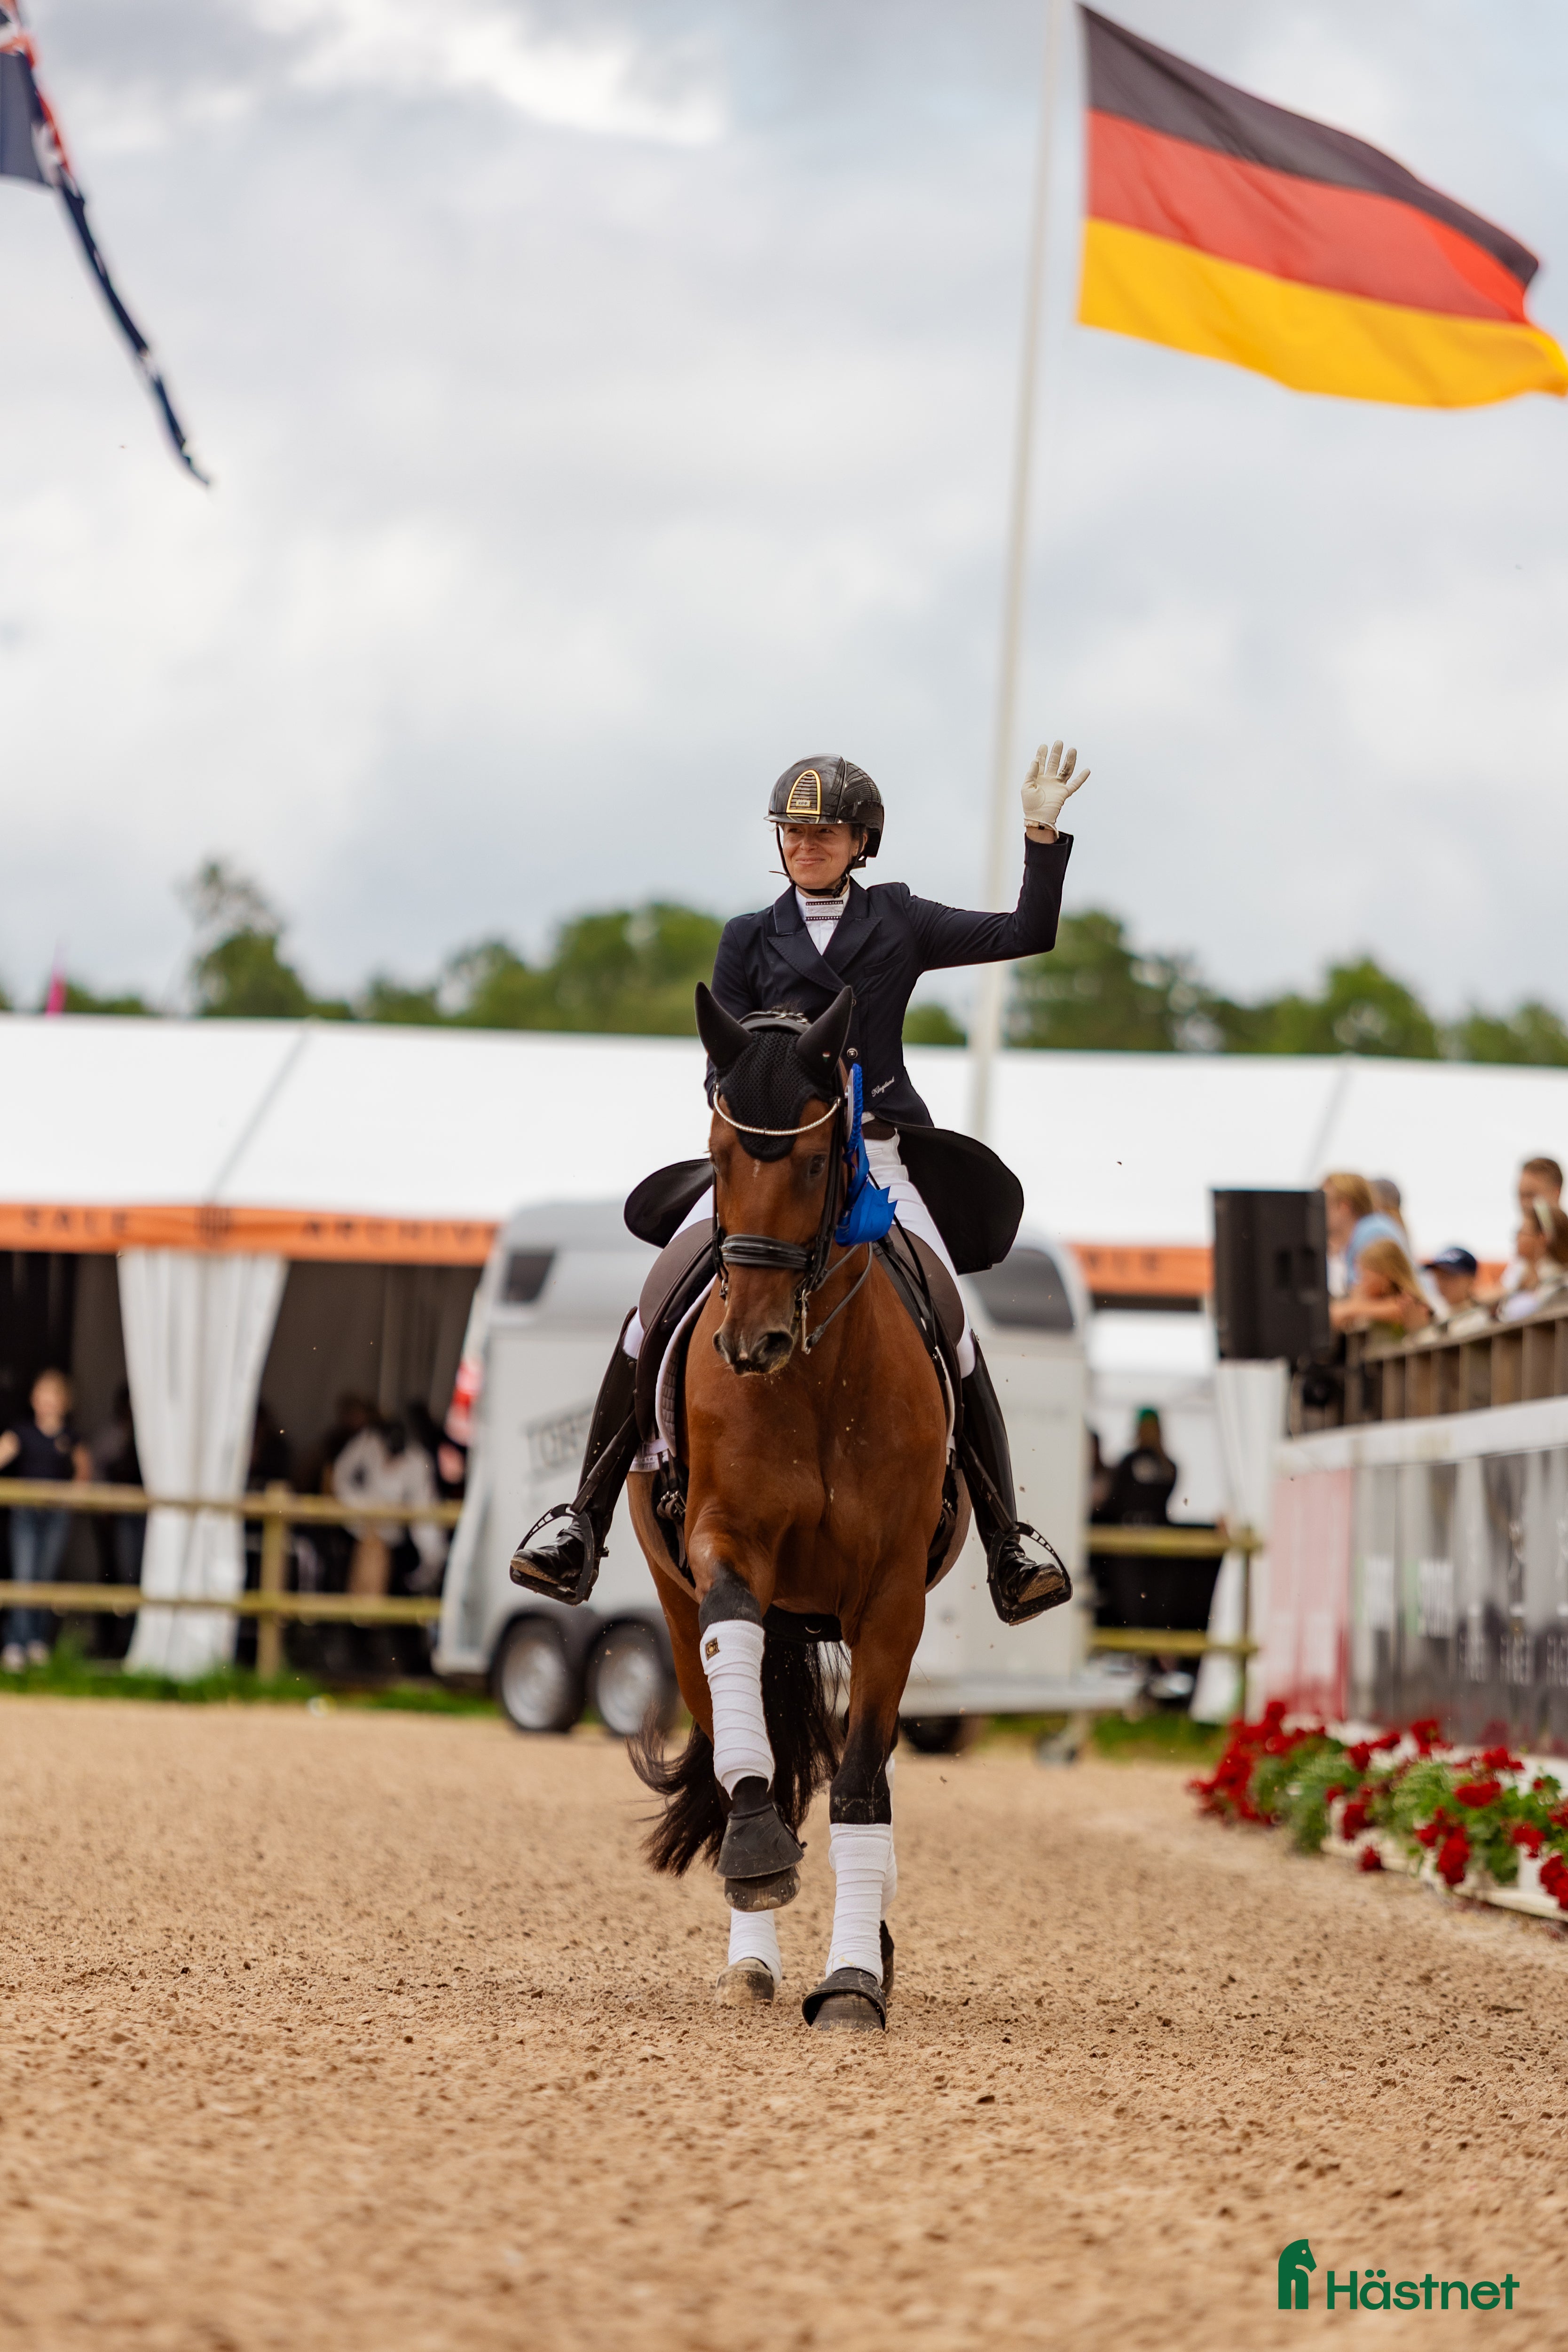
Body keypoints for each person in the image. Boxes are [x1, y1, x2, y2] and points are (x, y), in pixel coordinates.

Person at [512, 739, 1091, 1625]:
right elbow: (725, 1060)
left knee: (951, 1317)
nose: (806, 845)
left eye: (824, 832)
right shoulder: (749, 935)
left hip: (876, 1152)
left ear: (863, 841)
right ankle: (579, 1520)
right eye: (792, 831)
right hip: (770, 1157)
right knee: (654, 1305)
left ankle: (1008, 1539)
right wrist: (741, 1111)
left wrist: (1041, 837)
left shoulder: (898, 920)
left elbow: (1027, 932)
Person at [0, 1369, 90, 1671]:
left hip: (56, 1516)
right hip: (25, 1513)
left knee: (45, 1577)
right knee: (24, 1577)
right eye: (42, 1394)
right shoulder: (22, 1432)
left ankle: (37, 1642)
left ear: (65, 1402)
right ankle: (15, 1642)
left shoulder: (71, 1437)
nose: (47, 1401)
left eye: (53, 1395)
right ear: (33, 1399)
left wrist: (71, 1498)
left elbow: (84, 1471)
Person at [1479, 1157, 1564, 1307]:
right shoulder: (1521, 1262)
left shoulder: (1562, 1248)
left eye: (1531, 1195)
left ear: (1556, 1193)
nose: (1524, 1204)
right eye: (1520, 1196)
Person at [1329, 1237, 1432, 1339]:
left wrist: (1351, 1308)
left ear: (1386, 1277)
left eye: (1365, 1276)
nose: (1360, 1282)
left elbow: (1399, 1310)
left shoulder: (1410, 1302)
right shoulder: (1373, 1302)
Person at [1321, 1173, 1403, 1298]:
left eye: (1324, 1204)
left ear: (1344, 1206)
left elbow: (1395, 1300)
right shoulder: (1362, 1234)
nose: (1319, 1212)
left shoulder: (1372, 1233)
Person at [1496, 1201, 1568, 1324]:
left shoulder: (1559, 1284)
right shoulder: (1517, 1274)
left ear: (1543, 1238)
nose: (1516, 1237)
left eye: (1522, 1232)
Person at [1423, 1246, 1481, 1323]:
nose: (1442, 1284)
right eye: (1438, 1277)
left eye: (1449, 1277)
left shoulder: (1484, 1318)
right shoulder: (1433, 1316)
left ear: (1470, 1280)